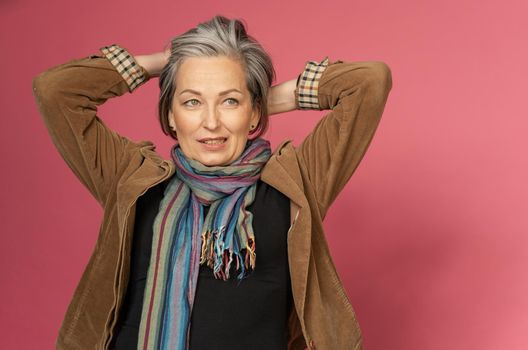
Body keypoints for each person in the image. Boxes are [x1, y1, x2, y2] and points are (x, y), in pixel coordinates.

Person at [32, 15, 392, 350]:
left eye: (229, 102)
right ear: (170, 116)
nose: (211, 122)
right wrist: (161, 62)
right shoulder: (131, 180)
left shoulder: (294, 183)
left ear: (254, 114)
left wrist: (267, 101)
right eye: (191, 102)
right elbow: (56, 91)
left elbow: (369, 83)